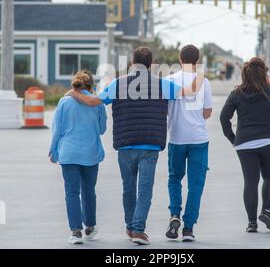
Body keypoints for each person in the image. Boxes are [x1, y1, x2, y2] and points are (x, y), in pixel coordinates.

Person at [66, 46, 204, 245]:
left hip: (125, 145)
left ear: (132, 63)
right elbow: (190, 91)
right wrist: (199, 74)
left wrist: (73, 92)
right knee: (145, 189)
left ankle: (131, 228)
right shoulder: (162, 84)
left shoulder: (117, 84)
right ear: (150, 64)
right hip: (150, 145)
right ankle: (138, 230)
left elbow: (93, 101)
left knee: (128, 188)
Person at [220, 57, 270, 233]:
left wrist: (234, 139)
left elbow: (224, 118)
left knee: (250, 182)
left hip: (244, 144)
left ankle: (252, 223)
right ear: (264, 73)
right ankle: (266, 211)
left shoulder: (236, 94)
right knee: (269, 177)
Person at [49, 70, 107, 244]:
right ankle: (89, 226)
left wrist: (53, 150)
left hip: (68, 153)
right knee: (89, 191)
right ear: (91, 86)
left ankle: (76, 232)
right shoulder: (97, 103)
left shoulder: (64, 102)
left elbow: (57, 129)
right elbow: (102, 129)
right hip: (91, 153)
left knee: (71, 193)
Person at [165, 45, 213, 242]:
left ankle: (174, 214)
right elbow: (207, 112)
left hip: (176, 137)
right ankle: (188, 228)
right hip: (198, 139)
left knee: (174, 178)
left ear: (179, 58)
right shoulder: (204, 82)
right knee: (196, 184)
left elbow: (165, 109)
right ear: (197, 60)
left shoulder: (168, 80)